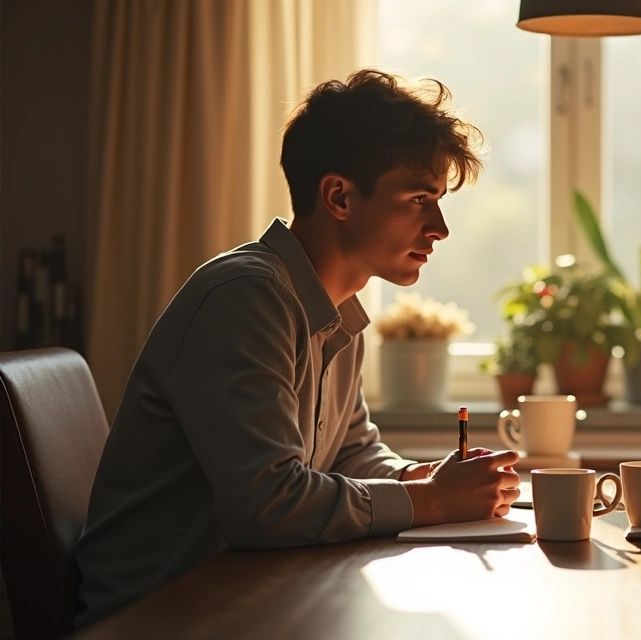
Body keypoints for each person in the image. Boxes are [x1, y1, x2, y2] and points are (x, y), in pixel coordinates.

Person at [75, 70, 521, 628]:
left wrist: (422, 477)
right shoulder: (246, 296)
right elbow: (266, 506)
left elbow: (350, 455)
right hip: (162, 617)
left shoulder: (336, 309)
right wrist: (435, 501)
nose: (440, 228)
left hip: (251, 598)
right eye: (418, 198)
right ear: (338, 196)